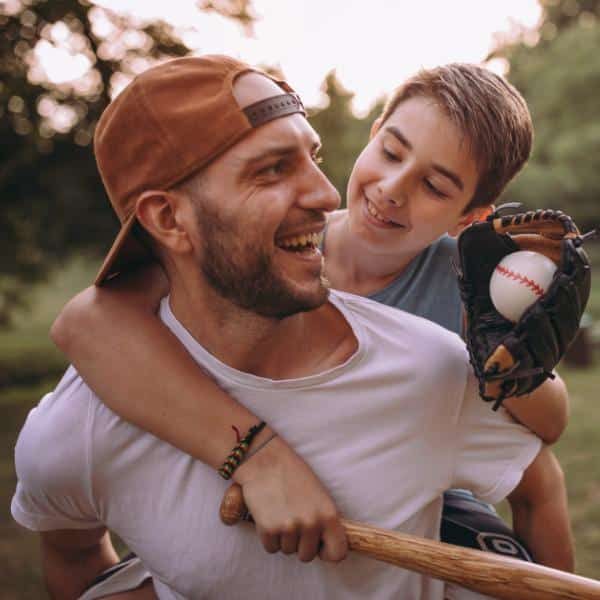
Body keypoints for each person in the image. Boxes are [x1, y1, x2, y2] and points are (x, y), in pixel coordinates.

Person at [12, 56, 570, 600]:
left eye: (437, 187)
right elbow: (87, 322)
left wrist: (512, 364)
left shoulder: (456, 317)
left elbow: (543, 443)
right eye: (392, 152)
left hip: (430, 497)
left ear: (470, 214)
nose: (387, 189)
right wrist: (257, 457)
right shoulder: (266, 252)